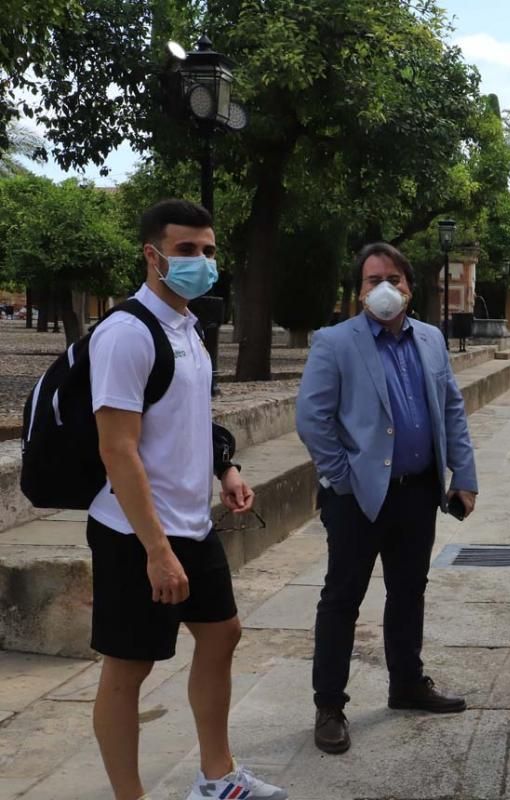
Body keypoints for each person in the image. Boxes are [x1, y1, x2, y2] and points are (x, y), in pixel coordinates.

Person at [88, 200, 286, 800]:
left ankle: (217, 777)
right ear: (153, 255)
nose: (201, 261)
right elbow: (118, 450)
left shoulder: (190, 329)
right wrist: (155, 549)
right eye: (186, 250)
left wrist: (224, 468)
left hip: (192, 524)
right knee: (129, 669)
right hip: (135, 532)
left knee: (222, 633)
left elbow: (187, 417)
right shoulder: (126, 333)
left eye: (208, 250)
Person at [296, 242, 479, 754]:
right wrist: (343, 479)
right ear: (358, 291)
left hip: (418, 492)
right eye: (373, 279)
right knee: (342, 598)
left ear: (409, 287)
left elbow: (451, 408)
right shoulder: (335, 342)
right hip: (356, 497)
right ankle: (329, 703)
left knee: (409, 591)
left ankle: (407, 684)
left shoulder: (431, 339)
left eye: (394, 279)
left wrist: (463, 474)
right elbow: (313, 418)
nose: (384, 288)